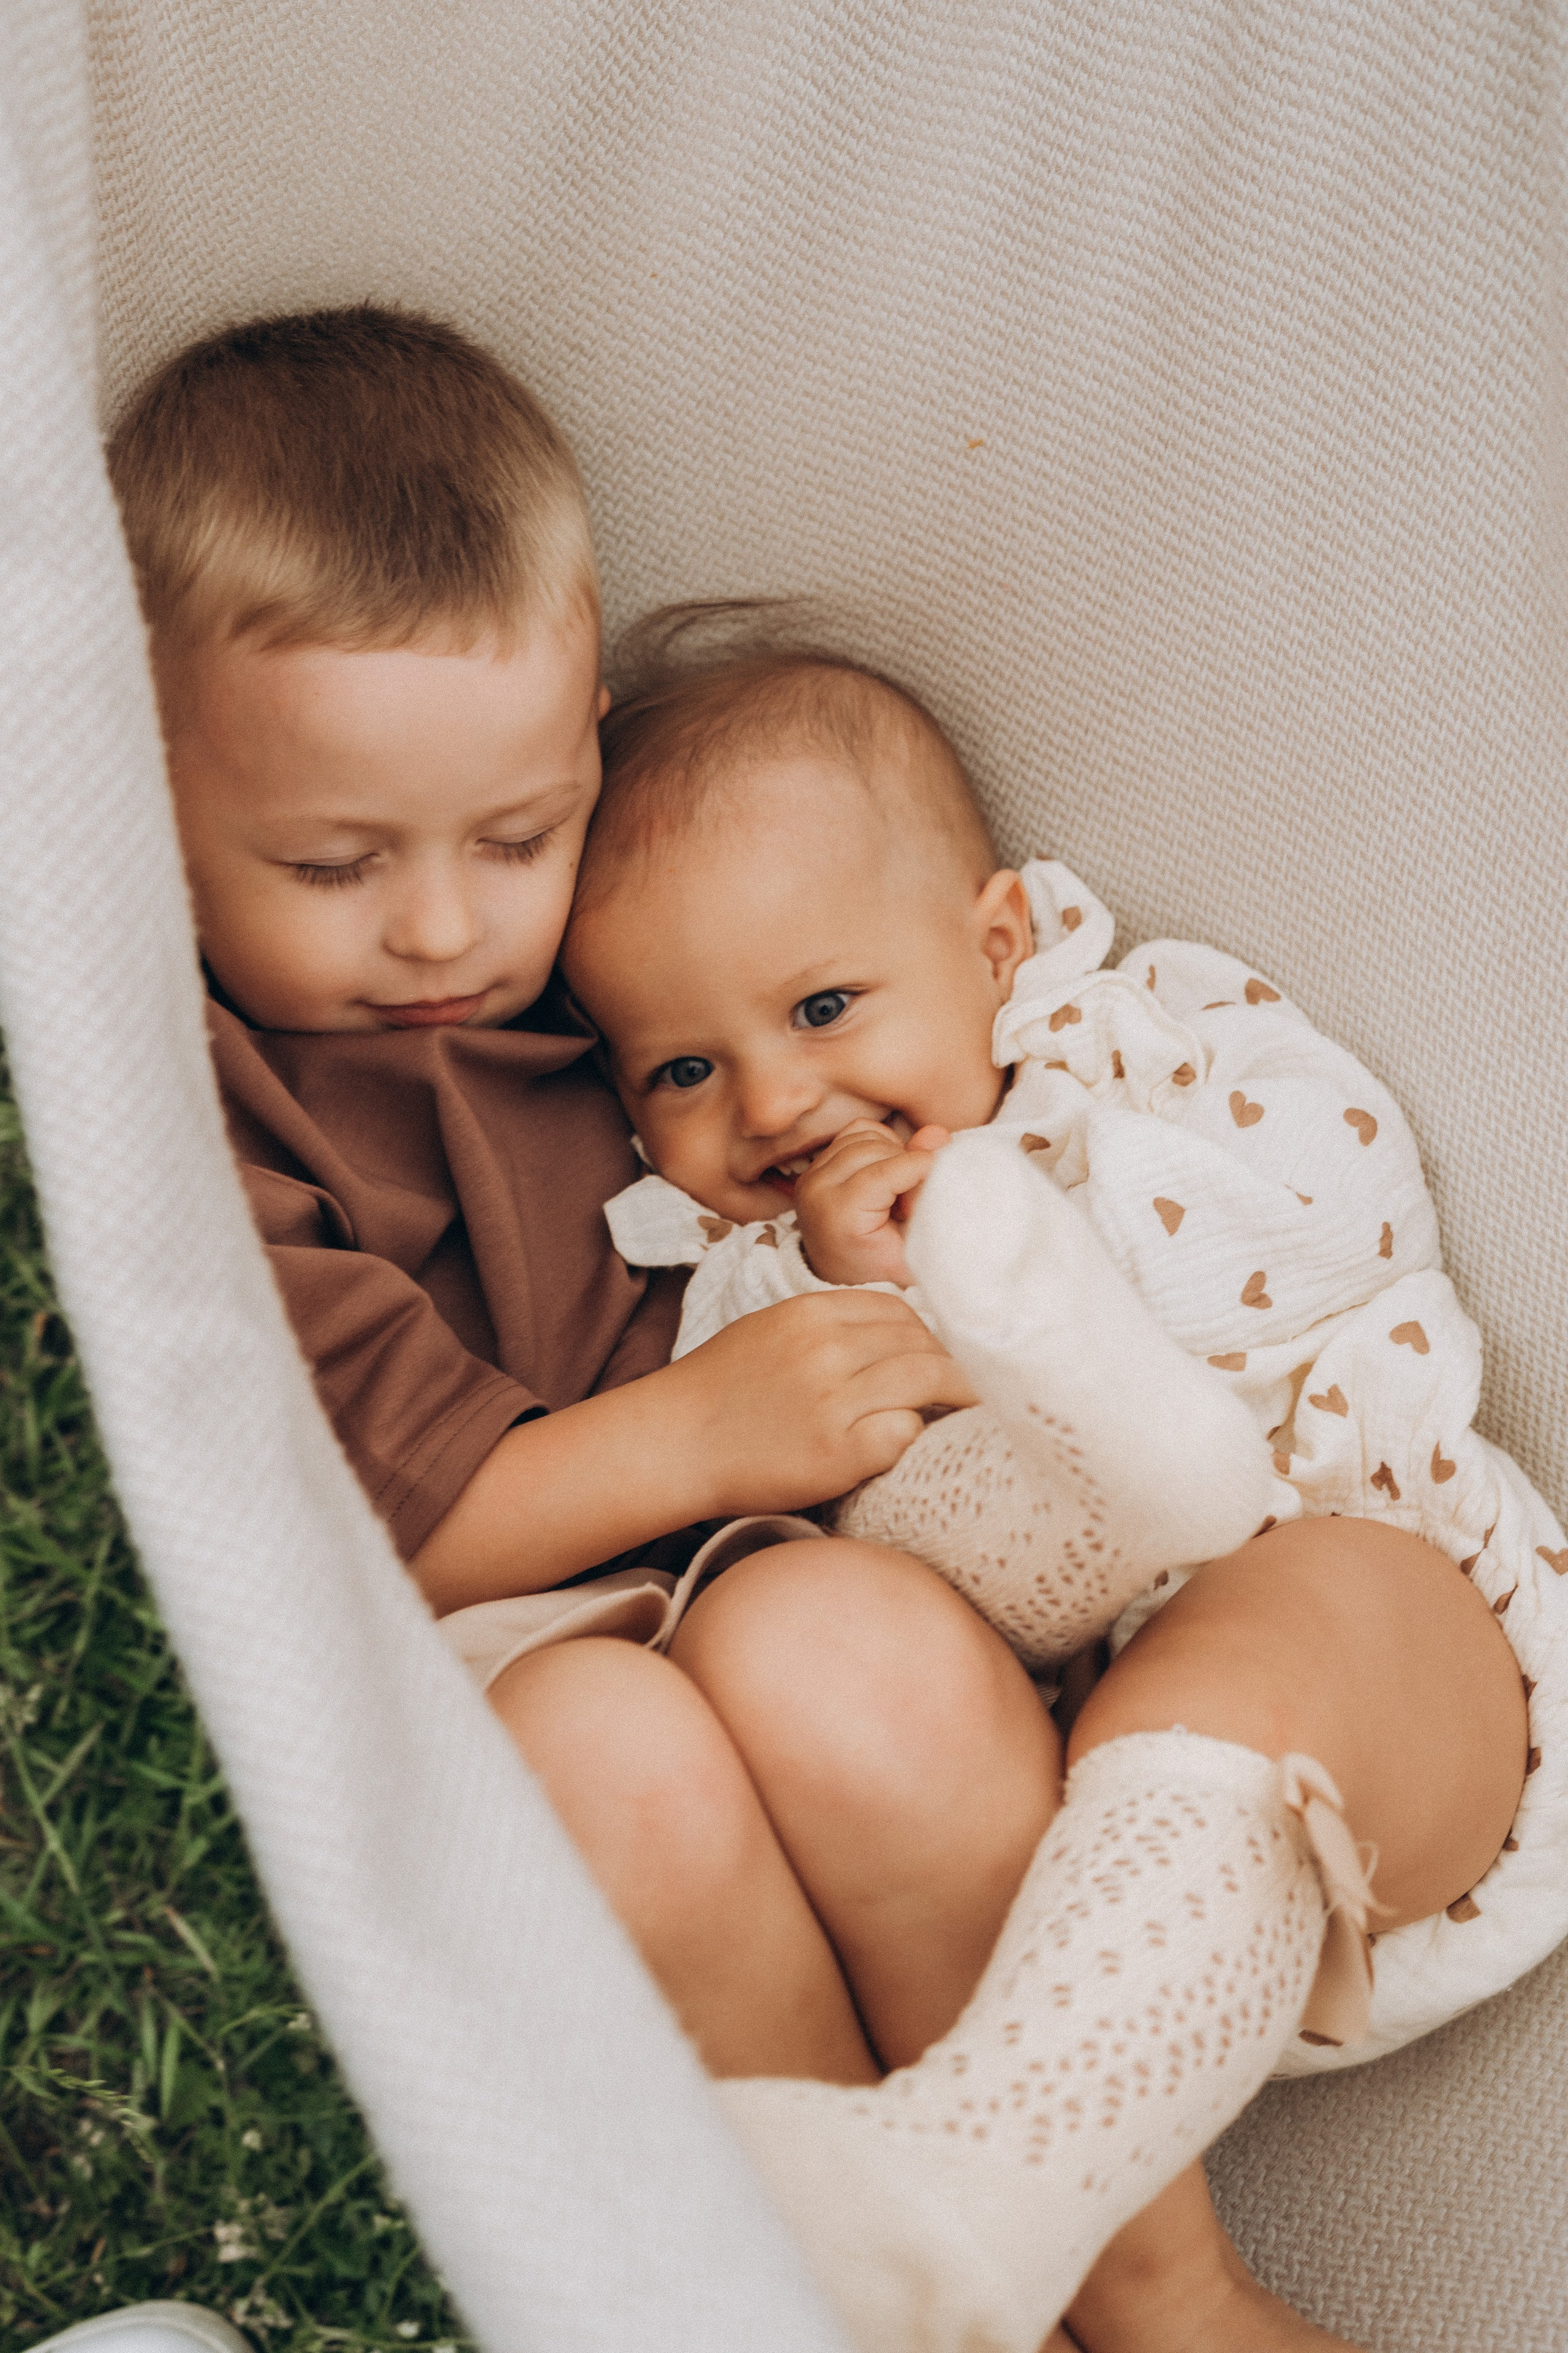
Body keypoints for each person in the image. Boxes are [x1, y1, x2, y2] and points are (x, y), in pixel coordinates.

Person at [552, 629, 1568, 2352]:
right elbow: (860, 1542)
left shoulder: (1141, 1041)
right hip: (1028, 1850)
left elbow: (1350, 1201)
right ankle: (1002, 2206)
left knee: (1299, 1594)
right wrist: (873, 1299)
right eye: (683, 1071)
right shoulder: (740, 1287)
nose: (776, 1098)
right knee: (789, 1605)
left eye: (818, 1009)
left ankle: (993, 2176)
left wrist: (999, 1215)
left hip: (1380, 1705)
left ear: (998, 940)